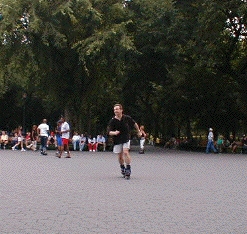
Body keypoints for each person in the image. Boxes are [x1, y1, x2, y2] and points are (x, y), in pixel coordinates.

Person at [108, 104, 142, 179]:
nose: (115, 111)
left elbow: (134, 124)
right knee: (120, 156)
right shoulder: (113, 121)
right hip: (117, 139)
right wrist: (114, 133)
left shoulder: (126, 118)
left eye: (117, 109)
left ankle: (128, 168)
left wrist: (138, 131)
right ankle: (122, 167)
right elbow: (109, 132)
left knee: (126, 152)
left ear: (121, 110)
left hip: (126, 137)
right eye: (114, 110)